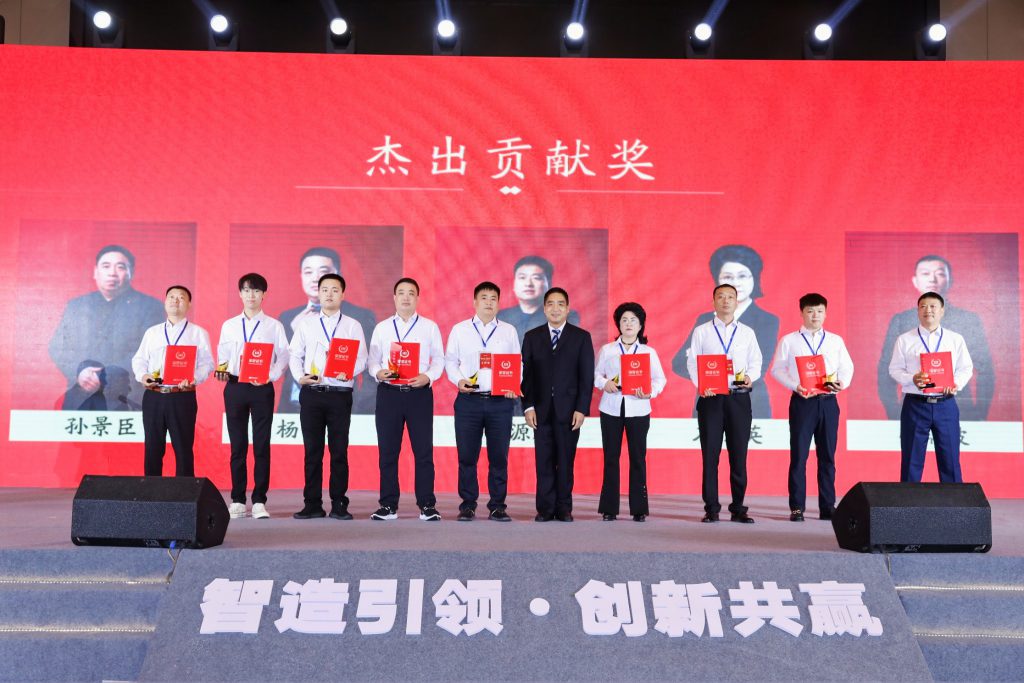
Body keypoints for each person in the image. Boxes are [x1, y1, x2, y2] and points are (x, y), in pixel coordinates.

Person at [289, 273, 367, 520]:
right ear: (319, 293)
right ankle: (312, 503)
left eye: (335, 290)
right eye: (325, 289)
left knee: (339, 451)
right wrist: (299, 376)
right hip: (312, 393)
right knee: (312, 451)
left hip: (339, 395)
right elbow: (294, 355)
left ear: (343, 294)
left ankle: (339, 503)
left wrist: (349, 371)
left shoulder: (353, 325)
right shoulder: (306, 324)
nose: (329, 294)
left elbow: (362, 358)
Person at [877, 255, 993, 421]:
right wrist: (893, 411)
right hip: (914, 405)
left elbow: (985, 369)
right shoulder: (901, 320)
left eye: (940, 273)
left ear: (950, 280)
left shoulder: (968, 320)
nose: (932, 279)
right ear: (915, 281)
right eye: (925, 273)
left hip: (958, 406)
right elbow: (886, 369)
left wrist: (980, 413)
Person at [770, 293, 854, 522]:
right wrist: (795, 386)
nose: (815, 315)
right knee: (799, 456)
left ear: (825, 313)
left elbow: (847, 368)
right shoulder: (789, 341)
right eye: (810, 311)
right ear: (802, 313)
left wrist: (841, 383)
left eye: (819, 311)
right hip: (803, 402)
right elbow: (777, 369)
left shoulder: (835, 341)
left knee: (827, 456)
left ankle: (827, 506)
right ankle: (797, 507)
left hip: (828, 402)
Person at [50, 244, 165, 410]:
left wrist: (105, 378)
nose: (112, 273)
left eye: (120, 267)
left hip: (127, 399)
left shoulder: (150, 307)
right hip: (81, 395)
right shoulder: (77, 306)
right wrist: (79, 372)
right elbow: (58, 347)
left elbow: (152, 352)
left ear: (131, 272)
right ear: (95, 272)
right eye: (106, 266)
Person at [367, 277, 445, 521]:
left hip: (419, 394)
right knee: (388, 452)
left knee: (423, 452)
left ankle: (427, 505)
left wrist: (428, 377)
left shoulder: (430, 327)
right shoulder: (382, 328)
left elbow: (439, 359)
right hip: (389, 394)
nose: (406, 297)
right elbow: (372, 360)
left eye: (411, 293)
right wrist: (378, 372)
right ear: (394, 297)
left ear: (418, 298)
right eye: (401, 292)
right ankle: (388, 505)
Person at [215, 273, 290, 520]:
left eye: (256, 291)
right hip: (235, 387)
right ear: (240, 294)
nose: (251, 295)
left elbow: (284, 356)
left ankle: (259, 500)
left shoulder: (274, 326)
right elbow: (223, 355)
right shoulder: (229, 325)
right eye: (246, 290)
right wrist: (222, 370)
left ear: (264, 295)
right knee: (237, 446)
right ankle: (237, 499)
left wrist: (270, 375)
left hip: (261, 388)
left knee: (261, 445)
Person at [672, 245, 779, 418]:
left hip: (749, 401)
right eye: (728, 277)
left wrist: (710, 361)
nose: (735, 283)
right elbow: (679, 363)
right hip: (709, 397)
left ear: (754, 277)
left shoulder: (767, 320)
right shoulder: (704, 321)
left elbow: (759, 365)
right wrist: (706, 377)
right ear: (717, 279)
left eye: (742, 276)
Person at [445, 281, 521, 521]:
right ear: (475, 302)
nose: (489, 302)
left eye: (493, 298)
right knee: (467, 456)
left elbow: (517, 362)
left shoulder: (508, 330)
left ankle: (497, 506)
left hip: (500, 402)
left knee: (499, 457)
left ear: (499, 303)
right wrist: (459, 380)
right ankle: (468, 505)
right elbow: (450, 361)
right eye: (484, 298)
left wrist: (513, 385)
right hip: (469, 401)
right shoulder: (460, 330)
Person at [686, 284, 762, 523]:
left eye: (730, 297)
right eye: (721, 296)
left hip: (738, 398)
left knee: (739, 455)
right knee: (710, 456)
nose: (726, 301)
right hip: (711, 399)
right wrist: (701, 384)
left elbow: (756, 361)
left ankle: (738, 508)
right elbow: (692, 362)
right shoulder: (702, 331)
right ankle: (711, 508)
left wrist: (750, 376)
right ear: (713, 302)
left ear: (737, 302)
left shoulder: (747, 332)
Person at [521, 287, 595, 522]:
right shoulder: (532, 337)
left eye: (560, 304)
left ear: (567, 308)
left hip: (569, 411)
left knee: (565, 461)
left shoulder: (581, 337)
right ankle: (545, 508)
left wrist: (582, 408)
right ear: (544, 309)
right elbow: (526, 376)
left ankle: (564, 508)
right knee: (543, 461)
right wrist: (528, 406)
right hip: (540, 410)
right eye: (550, 304)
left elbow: (586, 377)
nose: (555, 308)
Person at [278, 247, 377, 414]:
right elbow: (282, 360)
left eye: (323, 271)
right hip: (294, 406)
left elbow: (368, 363)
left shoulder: (359, 317)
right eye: (308, 272)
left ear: (338, 275)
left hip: (342, 401)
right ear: (301, 276)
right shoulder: (288, 317)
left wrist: (360, 407)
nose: (315, 278)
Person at [888, 292, 973, 483]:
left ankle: (953, 501)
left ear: (942, 310)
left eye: (933, 306)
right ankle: (909, 501)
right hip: (915, 405)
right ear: (918, 311)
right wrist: (912, 378)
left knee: (950, 459)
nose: (928, 310)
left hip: (946, 404)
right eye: (923, 306)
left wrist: (955, 383)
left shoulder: (955, 339)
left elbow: (966, 368)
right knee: (911, 460)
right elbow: (894, 369)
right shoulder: (905, 339)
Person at [594, 302, 667, 522]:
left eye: (633, 320)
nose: (628, 324)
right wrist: (604, 383)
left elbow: (660, 379)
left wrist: (650, 392)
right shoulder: (607, 350)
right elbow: (596, 375)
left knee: (638, 458)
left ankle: (639, 509)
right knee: (611, 458)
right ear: (618, 324)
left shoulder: (648, 352)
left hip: (639, 409)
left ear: (641, 325)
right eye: (624, 320)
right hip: (611, 408)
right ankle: (609, 508)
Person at [131, 286, 214, 477]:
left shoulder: (198, 333)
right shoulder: (152, 332)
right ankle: (151, 490)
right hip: (154, 395)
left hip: (182, 396)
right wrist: (143, 376)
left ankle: (184, 494)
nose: (175, 300)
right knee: (153, 448)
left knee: (183, 448)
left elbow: (207, 363)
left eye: (181, 297)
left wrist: (194, 379)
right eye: (171, 297)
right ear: (165, 302)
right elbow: (139, 359)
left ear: (189, 304)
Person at [497, 255, 580, 345]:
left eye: (536, 278)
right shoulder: (501, 317)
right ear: (514, 284)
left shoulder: (565, 316)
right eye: (522, 277)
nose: (528, 284)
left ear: (549, 284)